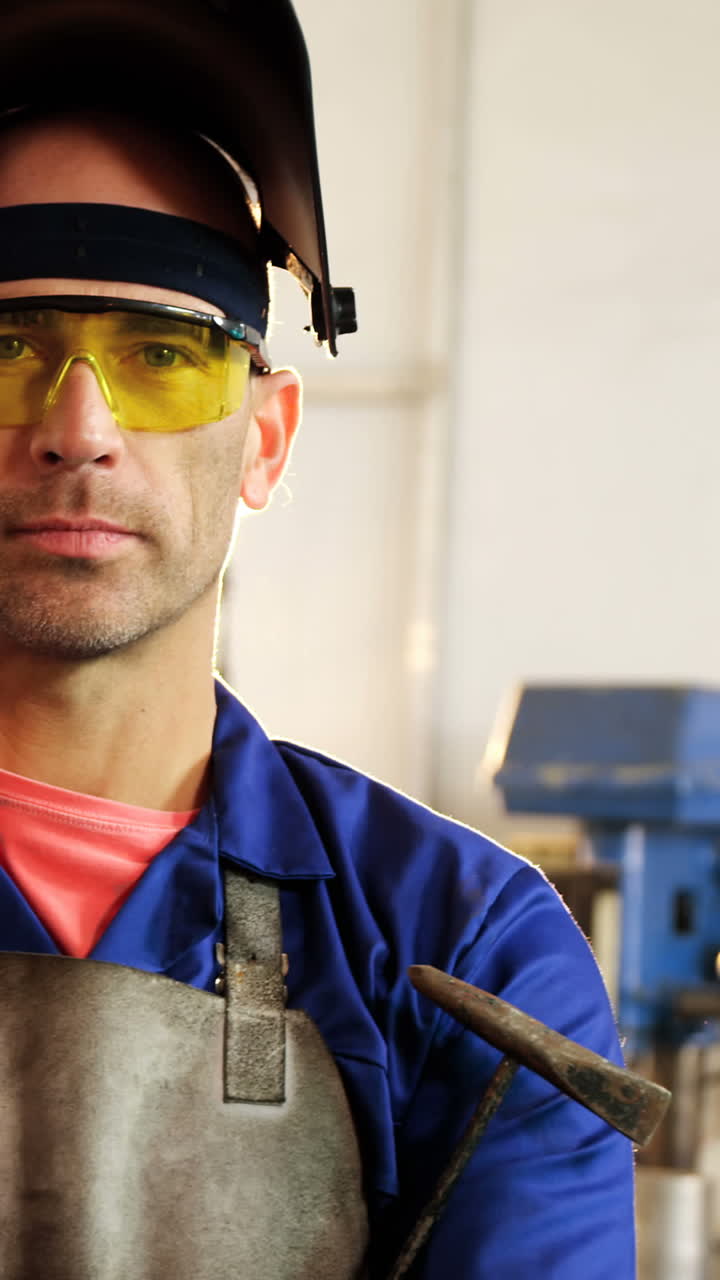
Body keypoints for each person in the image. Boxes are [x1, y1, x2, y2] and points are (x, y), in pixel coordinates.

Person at [0, 3, 635, 1278]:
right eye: (8, 348)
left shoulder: (463, 948)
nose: (80, 429)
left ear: (267, 437)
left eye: (163, 355)